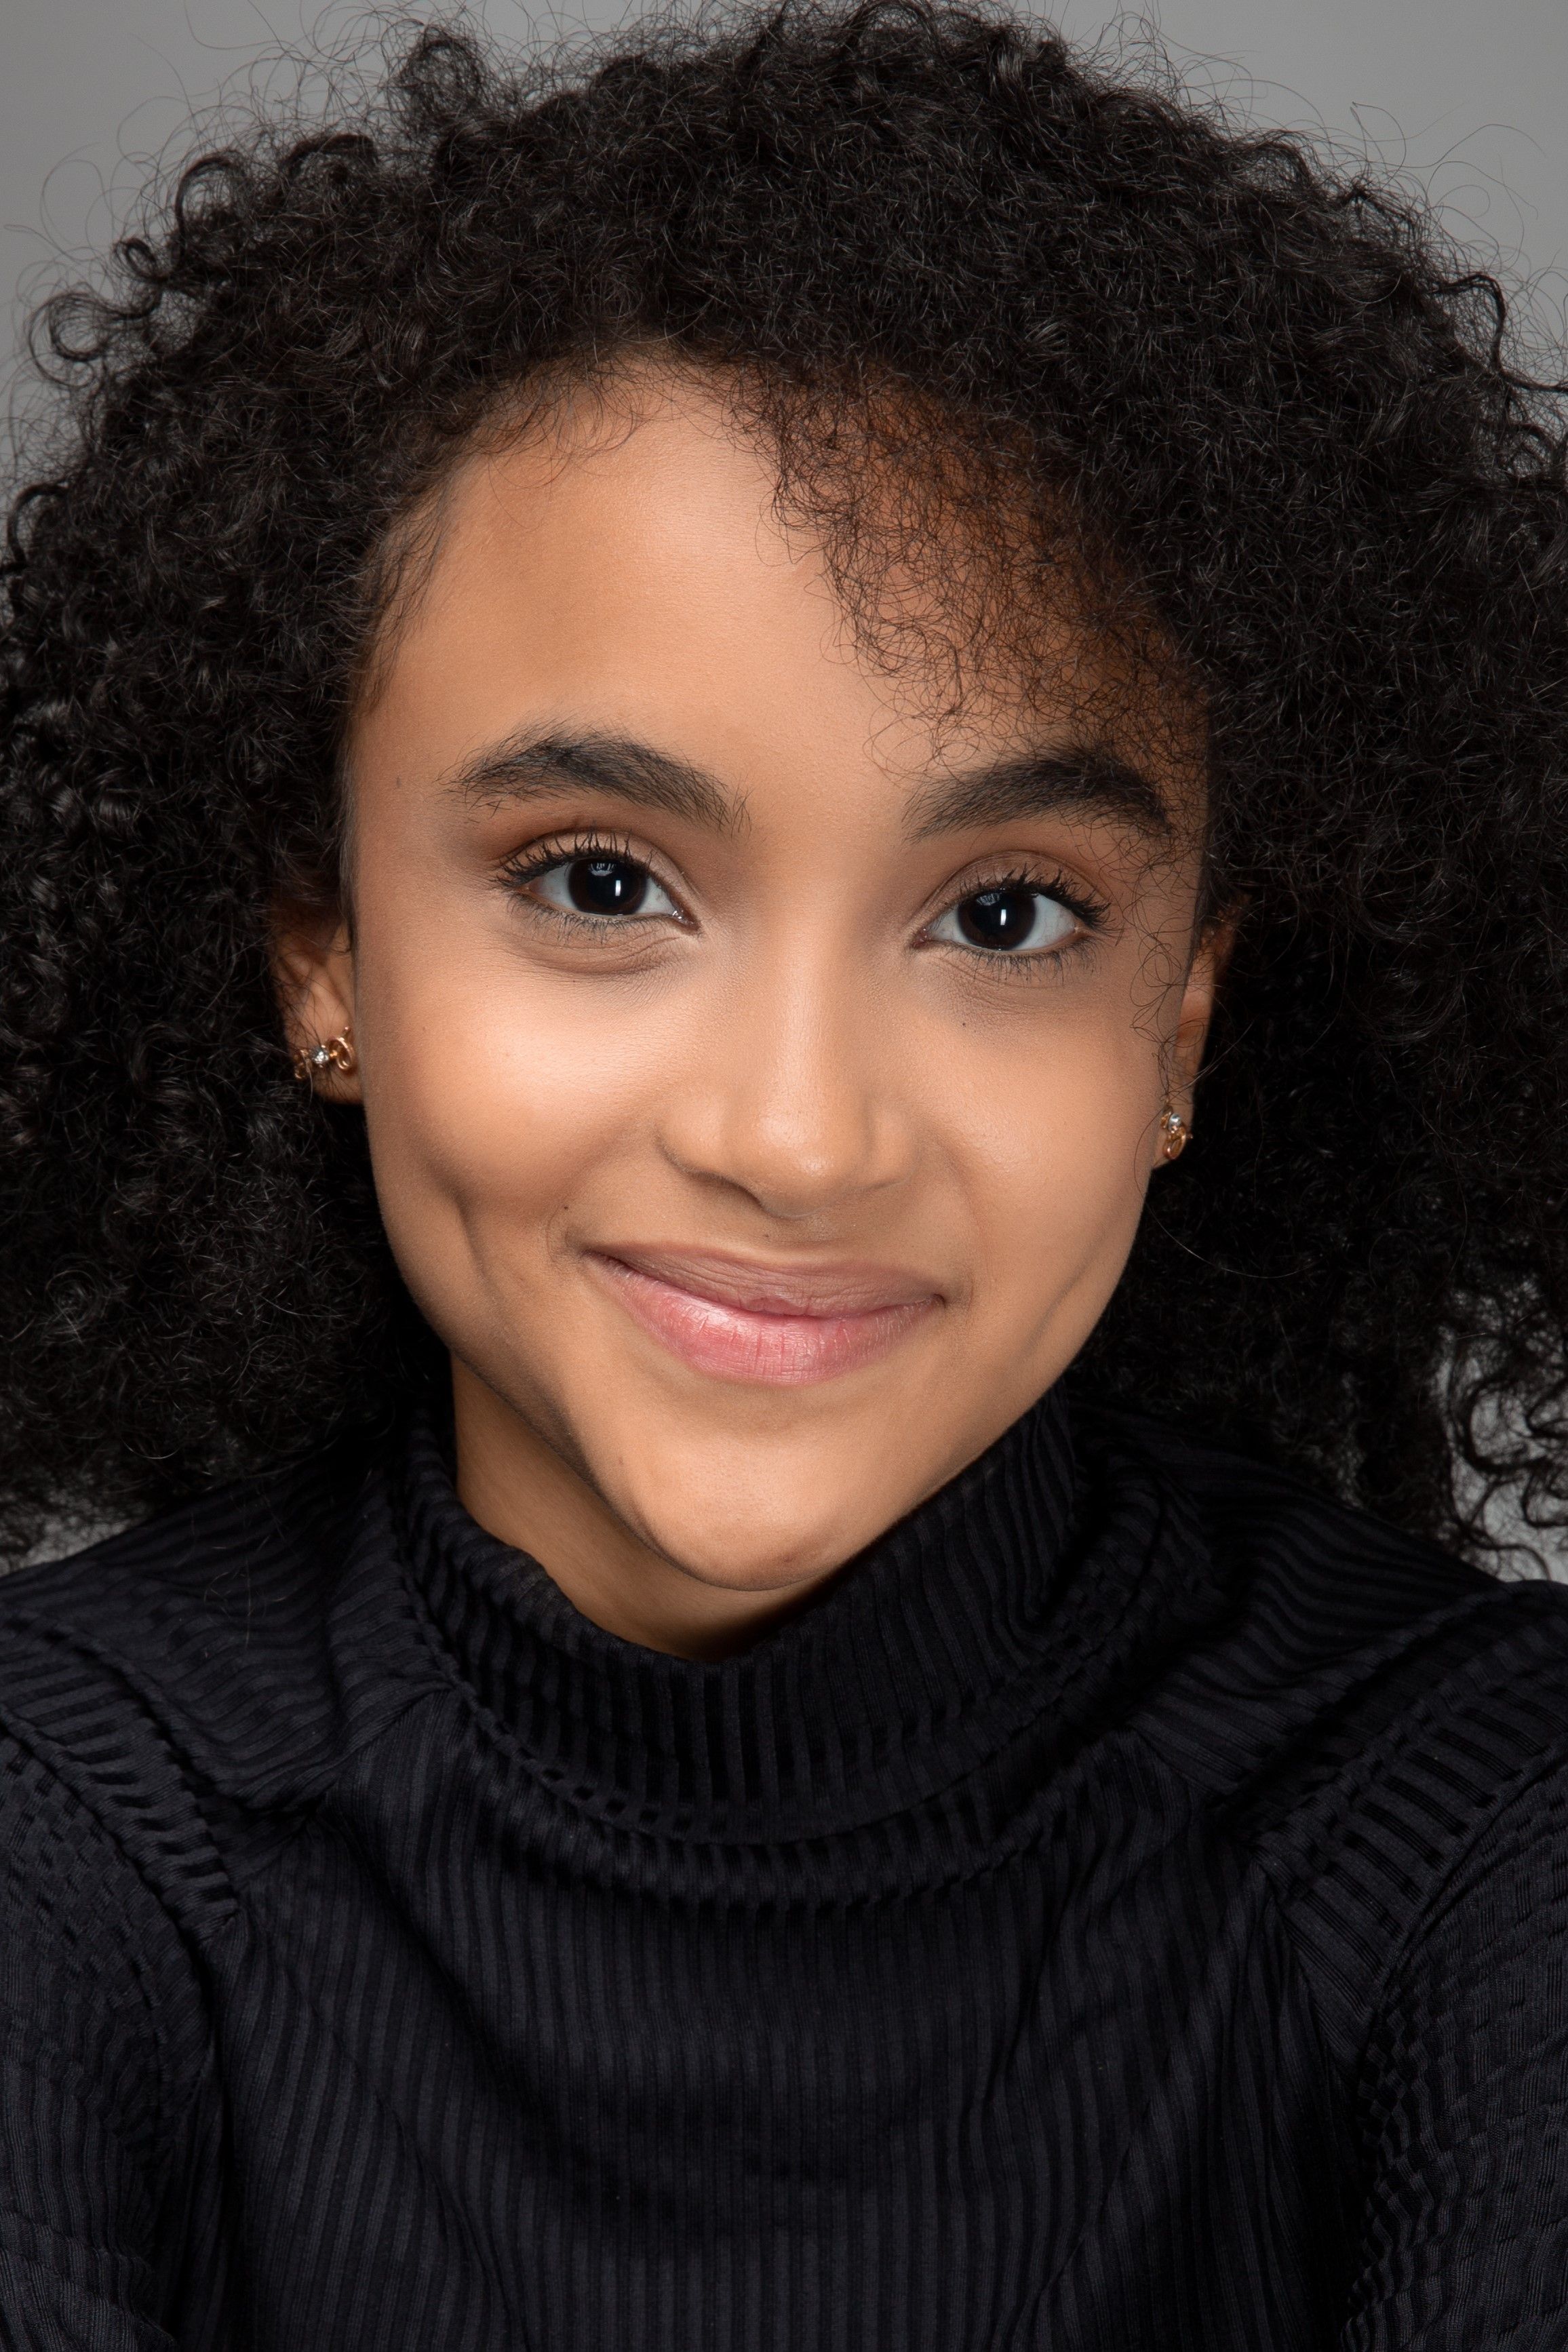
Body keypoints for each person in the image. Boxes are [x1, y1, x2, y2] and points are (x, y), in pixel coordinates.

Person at [2, 2, 1567, 2342]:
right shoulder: (57, 1821)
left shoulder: (1487, 1827)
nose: (797, 1135)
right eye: (602, 881)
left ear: (1183, 1022)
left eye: (1005, 915)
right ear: (324, 949)